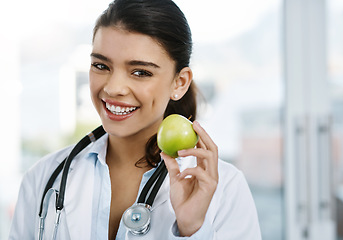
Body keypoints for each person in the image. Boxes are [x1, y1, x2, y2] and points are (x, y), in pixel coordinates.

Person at [9, 0, 262, 239]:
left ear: (179, 82)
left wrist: (192, 229)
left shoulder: (225, 189)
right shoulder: (44, 178)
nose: (114, 88)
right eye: (101, 66)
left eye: (140, 72)